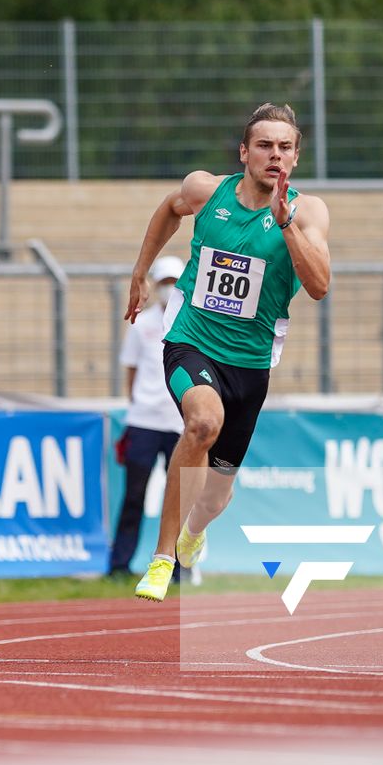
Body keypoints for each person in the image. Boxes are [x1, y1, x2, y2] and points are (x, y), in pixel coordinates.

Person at [122, 103, 331, 603]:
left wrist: (286, 225)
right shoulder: (205, 190)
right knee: (200, 423)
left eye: (284, 147)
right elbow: (168, 210)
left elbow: (319, 285)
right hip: (190, 339)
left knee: (218, 492)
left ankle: (195, 530)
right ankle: (162, 558)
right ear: (244, 153)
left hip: (251, 362)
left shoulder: (310, 212)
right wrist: (139, 271)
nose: (274, 155)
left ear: (296, 158)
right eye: (264, 145)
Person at [108, 254, 187, 577]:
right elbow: (132, 371)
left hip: (181, 423)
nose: (169, 288)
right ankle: (119, 564)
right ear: (155, 285)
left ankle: (180, 565)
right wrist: (137, 405)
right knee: (134, 496)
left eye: (174, 282)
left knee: (181, 498)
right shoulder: (141, 323)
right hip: (144, 421)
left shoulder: (192, 321)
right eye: (164, 282)